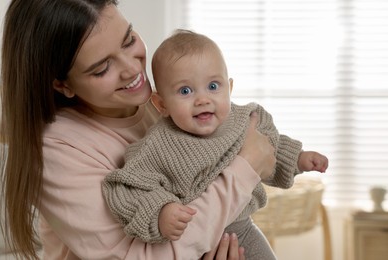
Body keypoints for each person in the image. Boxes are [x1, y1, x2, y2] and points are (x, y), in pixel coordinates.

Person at [0, 1, 277, 260]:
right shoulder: (57, 151)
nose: (133, 69)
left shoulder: (161, 105)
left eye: (129, 40)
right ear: (63, 85)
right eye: (102, 68)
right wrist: (246, 168)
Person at [102, 30, 329, 259]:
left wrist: (299, 158)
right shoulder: (158, 145)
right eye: (185, 91)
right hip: (189, 244)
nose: (203, 100)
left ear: (229, 89)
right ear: (161, 104)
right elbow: (129, 187)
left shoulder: (243, 121)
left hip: (241, 231)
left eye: (213, 86)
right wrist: (161, 211)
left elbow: (270, 148)